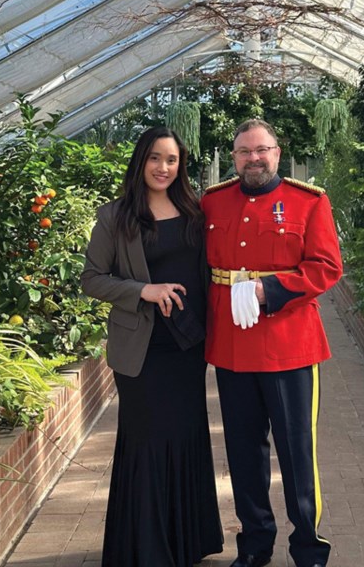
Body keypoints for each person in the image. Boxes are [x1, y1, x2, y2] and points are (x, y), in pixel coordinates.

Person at [201, 119, 343, 567]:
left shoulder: (309, 202)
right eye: (244, 152)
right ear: (234, 156)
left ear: (277, 153)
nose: (253, 159)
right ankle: (255, 543)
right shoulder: (213, 202)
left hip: (290, 345)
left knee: (297, 451)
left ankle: (308, 546)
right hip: (232, 346)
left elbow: (326, 268)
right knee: (244, 454)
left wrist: (269, 291)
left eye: (261, 150)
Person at [81, 126, 223, 567]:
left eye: (173, 160)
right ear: (141, 161)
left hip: (187, 348)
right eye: (156, 159)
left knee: (186, 437)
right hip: (141, 353)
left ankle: (186, 541)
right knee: (146, 441)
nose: (164, 168)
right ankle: (146, 548)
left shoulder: (195, 211)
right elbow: (91, 279)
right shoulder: (115, 217)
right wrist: (142, 290)